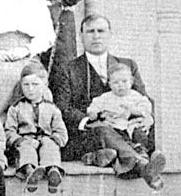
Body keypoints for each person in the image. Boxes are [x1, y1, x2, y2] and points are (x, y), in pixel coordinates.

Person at [53, 14, 155, 165]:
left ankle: (119, 159)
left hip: (126, 128)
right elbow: (63, 107)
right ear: (81, 36)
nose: (96, 37)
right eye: (90, 31)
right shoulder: (68, 69)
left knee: (138, 131)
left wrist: (146, 117)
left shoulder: (128, 65)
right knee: (102, 130)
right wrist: (89, 120)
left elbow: (143, 98)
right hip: (89, 133)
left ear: (110, 34)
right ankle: (139, 162)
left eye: (101, 31)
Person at [83, 62, 164, 189]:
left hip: (129, 133)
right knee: (103, 130)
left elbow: (146, 110)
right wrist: (98, 114)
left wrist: (132, 111)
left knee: (139, 131)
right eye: (116, 83)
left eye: (124, 81)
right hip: (113, 132)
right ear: (109, 84)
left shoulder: (136, 97)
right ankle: (144, 165)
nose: (120, 85)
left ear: (131, 81)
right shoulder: (105, 98)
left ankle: (137, 161)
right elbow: (92, 110)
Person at [5, 62, 68, 193]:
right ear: (21, 86)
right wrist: (22, 140)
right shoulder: (16, 108)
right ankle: (30, 172)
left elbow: (62, 133)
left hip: (46, 140)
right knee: (26, 149)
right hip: (25, 141)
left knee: (50, 147)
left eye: (35, 84)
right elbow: (9, 132)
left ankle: (53, 171)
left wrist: (51, 139)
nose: (30, 89)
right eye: (26, 85)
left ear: (45, 85)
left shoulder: (52, 108)